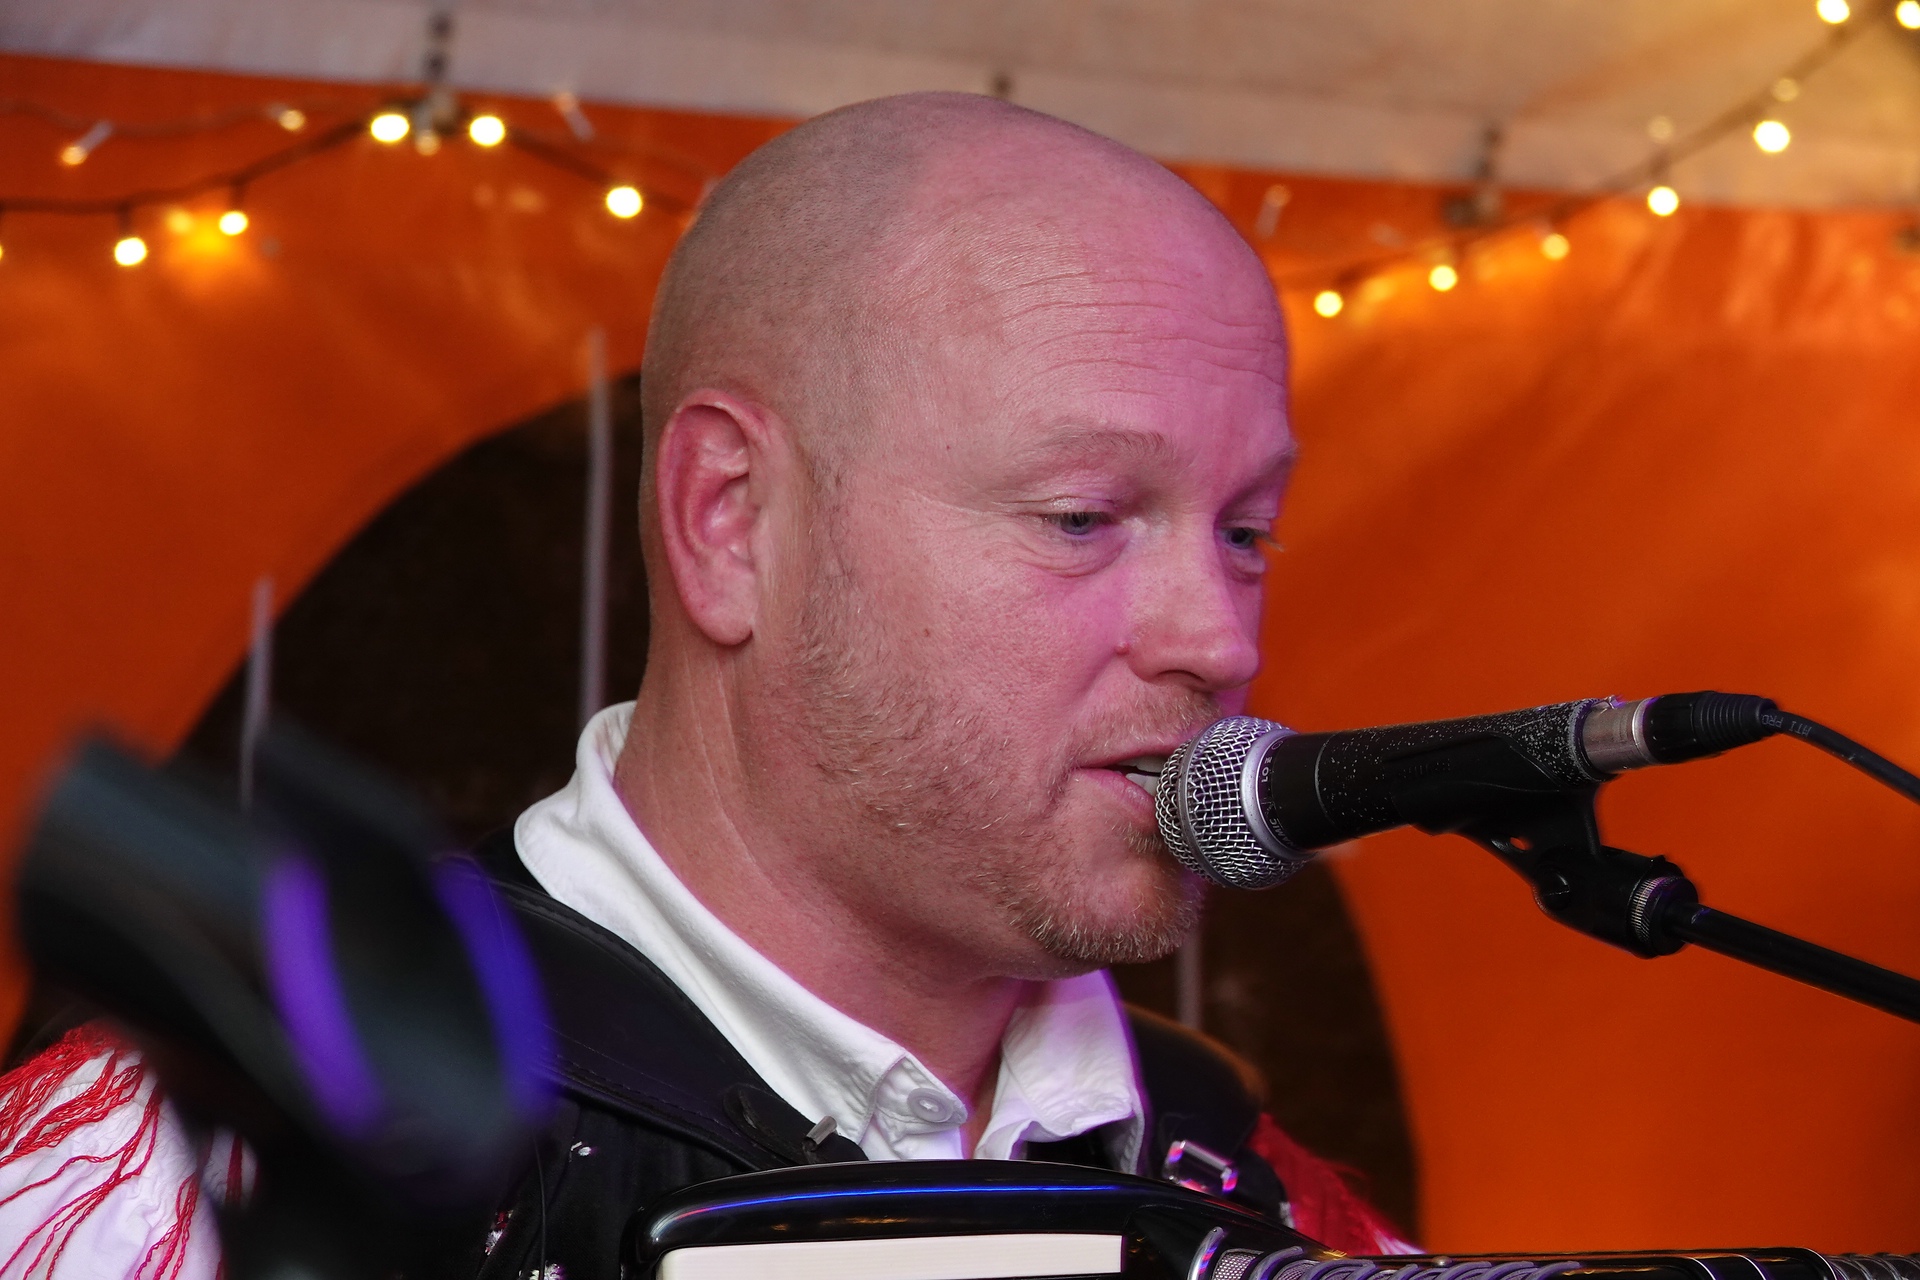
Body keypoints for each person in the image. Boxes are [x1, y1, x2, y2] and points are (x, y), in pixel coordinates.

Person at [0, 92, 1410, 1277]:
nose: (1218, 639)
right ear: (731, 521)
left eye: (1247, 533)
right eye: (1082, 516)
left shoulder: (1254, 1193)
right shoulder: (207, 1160)